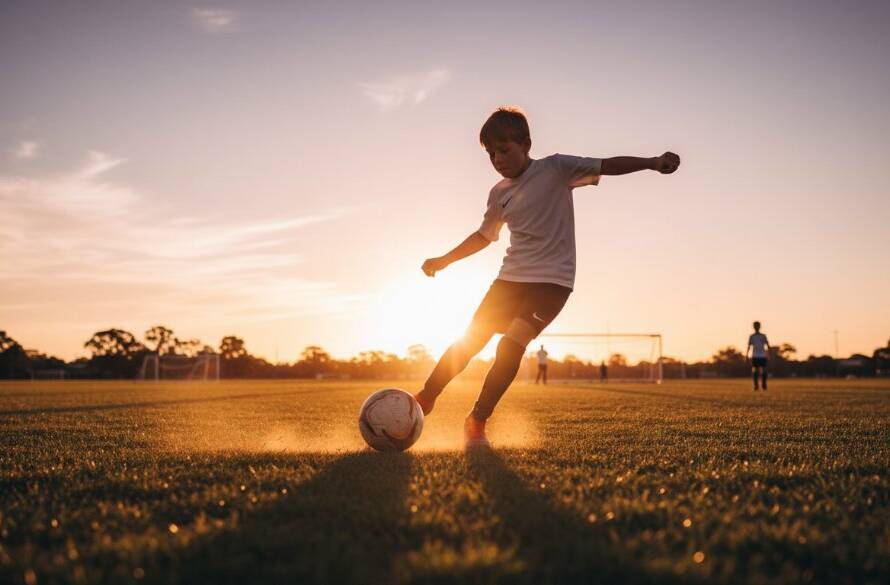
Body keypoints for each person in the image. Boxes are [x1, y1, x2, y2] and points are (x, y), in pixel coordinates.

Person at [413, 107, 680, 447]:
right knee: (470, 341)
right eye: (491, 153)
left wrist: (652, 161)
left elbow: (608, 164)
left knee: (510, 347)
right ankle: (426, 396)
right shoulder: (498, 194)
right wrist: (444, 260)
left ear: (526, 144)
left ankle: (478, 419)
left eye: (504, 150)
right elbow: (483, 236)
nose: (498, 159)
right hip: (509, 281)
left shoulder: (556, 168)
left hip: (553, 284)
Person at [746, 321, 770, 391]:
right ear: (753, 327)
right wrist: (747, 355)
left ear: (759, 327)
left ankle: (764, 385)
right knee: (755, 371)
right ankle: (756, 386)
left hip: (763, 355)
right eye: (755, 326)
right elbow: (749, 346)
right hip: (755, 355)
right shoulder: (752, 336)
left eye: (757, 326)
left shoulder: (763, 336)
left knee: (764, 370)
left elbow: (767, 345)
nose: (756, 327)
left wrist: (769, 354)